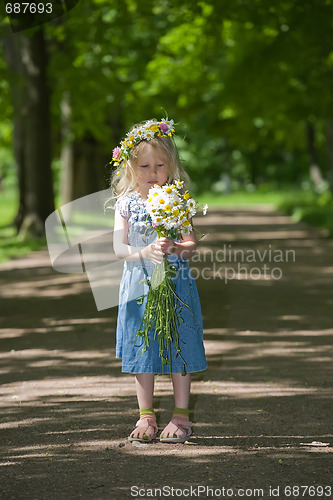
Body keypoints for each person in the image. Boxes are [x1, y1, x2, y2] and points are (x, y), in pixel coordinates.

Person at [110, 118, 207, 443]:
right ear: (130, 168)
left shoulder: (176, 200)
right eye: (144, 165)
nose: (152, 172)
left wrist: (177, 247)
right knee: (143, 343)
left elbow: (191, 244)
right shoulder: (125, 203)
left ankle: (181, 416)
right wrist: (144, 251)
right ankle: (146, 415)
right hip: (139, 283)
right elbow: (119, 248)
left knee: (179, 339)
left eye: (160, 165)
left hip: (176, 283)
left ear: (171, 165)